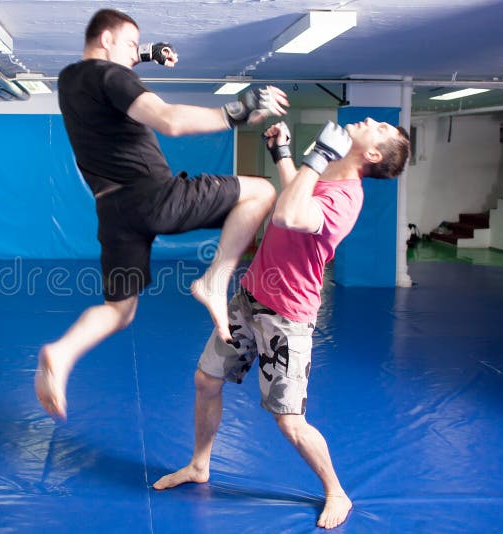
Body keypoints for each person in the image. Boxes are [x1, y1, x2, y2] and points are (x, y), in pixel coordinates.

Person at [153, 119, 411, 530]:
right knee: (206, 380)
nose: (371, 121)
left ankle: (336, 491)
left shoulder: (346, 197)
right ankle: (200, 465)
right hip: (250, 296)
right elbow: (295, 194)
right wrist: (283, 154)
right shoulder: (326, 177)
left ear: (373, 155)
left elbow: (289, 214)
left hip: (287, 317)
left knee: (289, 421)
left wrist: (318, 155)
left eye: (380, 128)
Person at [35, 8, 290, 420]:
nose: (136, 52)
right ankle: (214, 281)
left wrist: (146, 53)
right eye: (131, 44)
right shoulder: (112, 76)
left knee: (119, 310)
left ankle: (61, 353)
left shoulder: (69, 79)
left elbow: (117, 63)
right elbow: (169, 121)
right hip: (153, 196)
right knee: (262, 191)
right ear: (107, 41)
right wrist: (237, 111)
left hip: (113, 211)